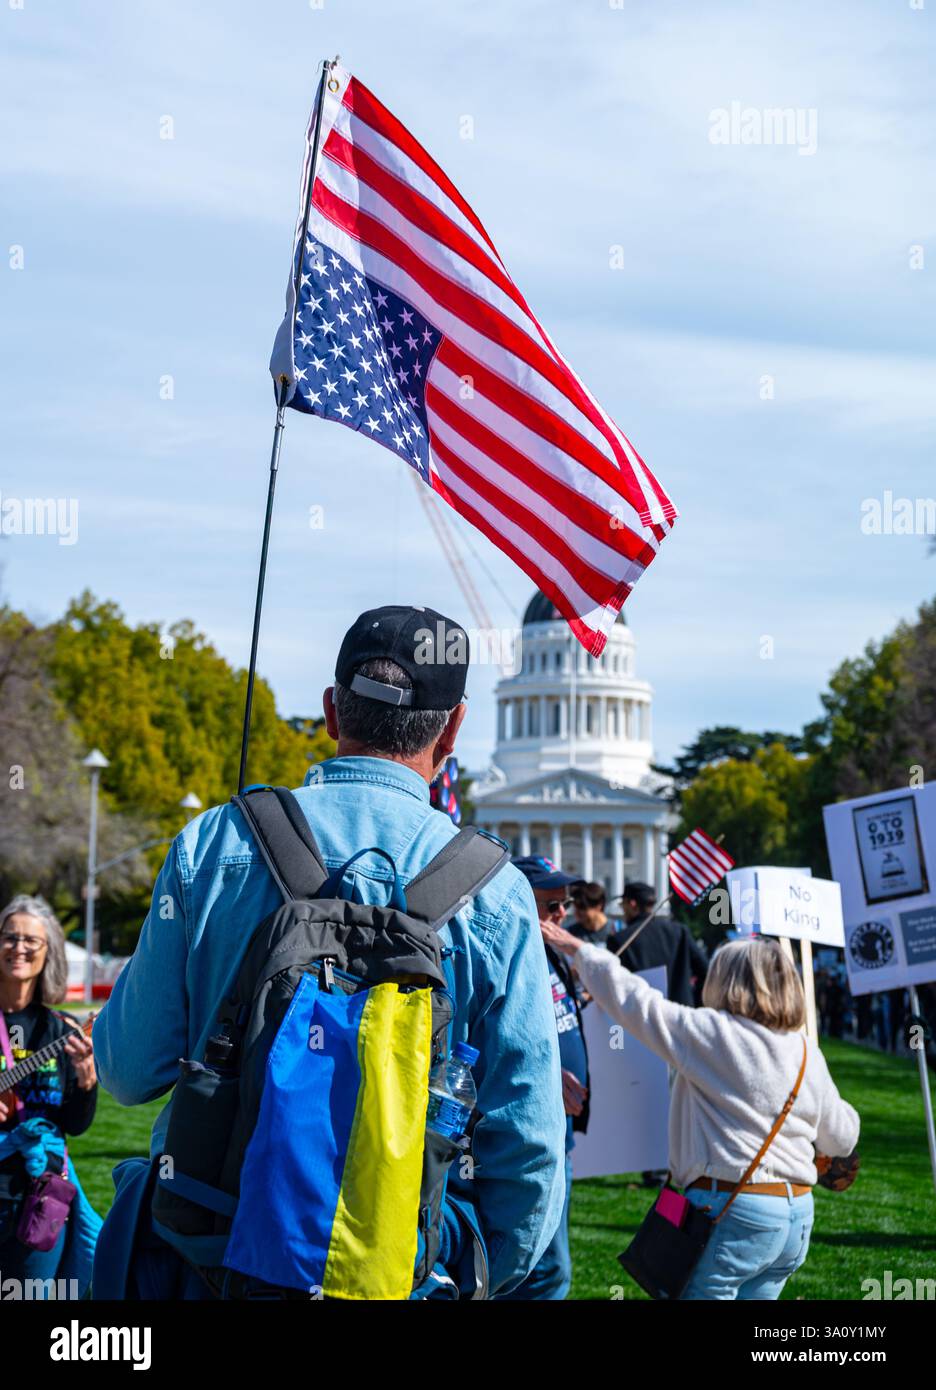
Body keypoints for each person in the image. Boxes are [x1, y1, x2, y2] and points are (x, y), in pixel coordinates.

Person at [94, 604, 567, 1299]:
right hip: (394, 1266)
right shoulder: (495, 891)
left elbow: (129, 1071)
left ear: (330, 709)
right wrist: (474, 1270)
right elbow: (527, 1147)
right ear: (454, 728)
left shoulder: (215, 842)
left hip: (209, 1253)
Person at [540, 924, 860, 1301]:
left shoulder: (715, 1035)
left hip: (732, 1208)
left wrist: (580, 950)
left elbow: (635, 1002)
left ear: (726, 982)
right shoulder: (806, 1050)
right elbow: (842, 1136)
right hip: (796, 1216)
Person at [494, 857, 590, 1301]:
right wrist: (552, 1074)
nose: (561, 914)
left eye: (564, 904)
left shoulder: (551, 953)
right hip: (530, 1130)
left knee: (541, 1266)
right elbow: (493, 1038)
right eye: (550, 904)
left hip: (561, 1132)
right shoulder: (506, 954)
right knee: (544, 1270)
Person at [0, 895, 101, 1297]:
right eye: (10, 937)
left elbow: (75, 1125)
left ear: (48, 953)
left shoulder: (62, 1030)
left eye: (31, 940)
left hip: (41, 1198)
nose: (19, 947)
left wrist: (86, 1080)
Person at [610, 881, 709, 1007]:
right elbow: (706, 972)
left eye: (622, 904)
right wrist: (692, 1000)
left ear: (632, 904)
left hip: (643, 1016)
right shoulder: (679, 931)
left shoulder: (620, 939)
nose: (622, 909)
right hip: (681, 1012)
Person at [568, 881, 614, 946]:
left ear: (599, 905)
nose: (577, 912)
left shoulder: (618, 930)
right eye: (575, 908)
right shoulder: (570, 934)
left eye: (582, 907)